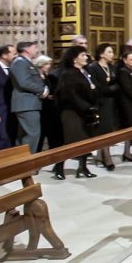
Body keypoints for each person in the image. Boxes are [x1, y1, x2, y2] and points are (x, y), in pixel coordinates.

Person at [54, 46, 100, 179]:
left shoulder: (84, 72)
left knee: (85, 141)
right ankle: (59, 167)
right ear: (74, 59)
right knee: (71, 141)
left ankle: (83, 167)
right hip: (72, 112)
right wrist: (86, 106)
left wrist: (94, 103)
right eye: (83, 55)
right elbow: (70, 94)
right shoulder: (68, 73)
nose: (86, 57)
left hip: (85, 112)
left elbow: (93, 88)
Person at [10, 42, 47, 154]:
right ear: (27, 49)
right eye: (35, 48)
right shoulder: (20, 62)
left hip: (30, 103)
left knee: (25, 136)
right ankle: (28, 165)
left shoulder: (26, 62)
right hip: (26, 104)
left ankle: (21, 164)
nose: (37, 50)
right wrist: (42, 90)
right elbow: (24, 82)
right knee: (32, 134)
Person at [87, 43, 118, 170]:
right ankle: (107, 157)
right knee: (104, 130)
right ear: (101, 54)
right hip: (100, 102)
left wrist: (112, 88)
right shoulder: (93, 67)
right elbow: (95, 86)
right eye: (109, 52)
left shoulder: (111, 66)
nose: (112, 54)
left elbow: (116, 83)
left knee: (109, 129)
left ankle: (101, 155)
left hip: (111, 102)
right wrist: (110, 89)